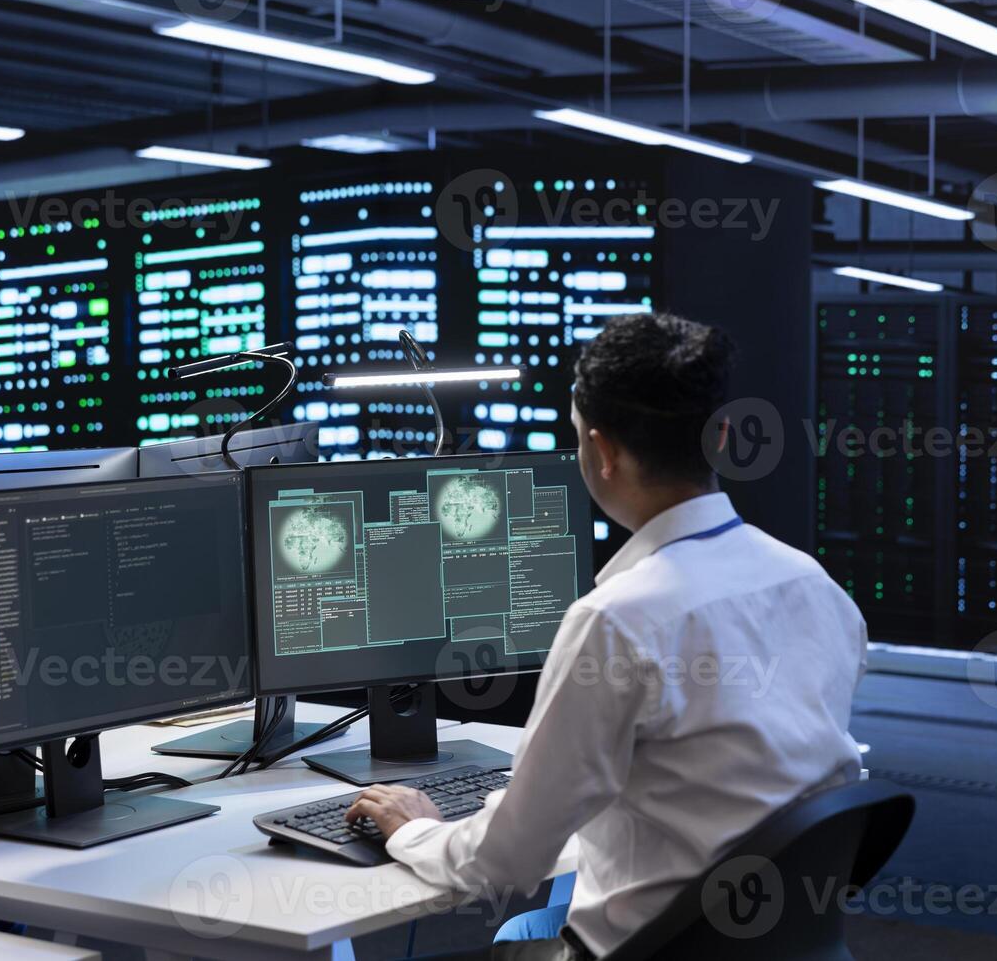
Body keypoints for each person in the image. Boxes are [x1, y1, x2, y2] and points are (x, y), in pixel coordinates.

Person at [346, 313, 868, 958]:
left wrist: (414, 829)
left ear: (602, 451)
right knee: (527, 929)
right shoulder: (814, 587)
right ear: (723, 436)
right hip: (779, 942)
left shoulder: (616, 620)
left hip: (643, 950)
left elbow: (502, 865)